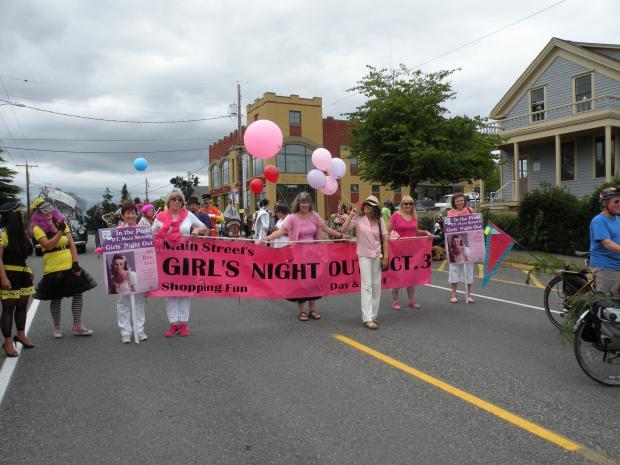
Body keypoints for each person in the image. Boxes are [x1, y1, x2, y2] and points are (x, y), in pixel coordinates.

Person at [261, 192, 345, 321]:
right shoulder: (292, 217)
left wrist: (341, 236)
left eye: (307, 202)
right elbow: (281, 231)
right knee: (300, 283)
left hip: (313, 255)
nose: (305, 205)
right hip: (297, 256)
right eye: (303, 202)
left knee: (313, 282)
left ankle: (312, 309)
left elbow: (325, 228)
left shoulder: (314, 216)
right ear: (298, 203)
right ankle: (302, 311)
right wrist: (266, 238)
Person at [28, 198, 97, 338]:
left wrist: (76, 263)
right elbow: (48, 245)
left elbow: (71, 244)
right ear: (37, 213)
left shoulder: (61, 223)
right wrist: (59, 232)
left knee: (78, 293)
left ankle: (77, 325)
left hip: (69, 263)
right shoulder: (37, 228)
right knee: (56, 297)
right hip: (53, 266)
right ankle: (57, 327)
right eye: (43, 210)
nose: (48, 212)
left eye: (49, 208)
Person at [152, 191, 209, 337]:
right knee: (170, 292)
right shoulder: (160, 217)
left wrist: (197, 229)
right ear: (168, 201)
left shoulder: (189, 215)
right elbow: (151, 235)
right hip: (166, 261)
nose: (177, 202)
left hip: (185, 259)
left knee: (185, 291)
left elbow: (205, 228)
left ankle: (183, 323)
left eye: (180, 200)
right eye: (174, 199)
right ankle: (173, 323)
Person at [341, 195, 389, 330]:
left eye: (369, 205)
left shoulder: (379, 219)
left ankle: (373, 315)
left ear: (374, 208)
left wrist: (386, 256)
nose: (366, 206)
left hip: (377, 254)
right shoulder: (358, 218)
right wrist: (350, 216)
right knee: (366, 285)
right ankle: (367, 318)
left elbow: (385, 238)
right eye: (365, 204)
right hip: (364, 255)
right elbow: (343, 230)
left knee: (376, 285)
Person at [0, 202, 35, 357]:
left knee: (22, 306)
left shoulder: (21, 233)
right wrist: (3, 278)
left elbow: (21, 256)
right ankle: (7, 341)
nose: (22, 215)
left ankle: (20, 334)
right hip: (8, 275)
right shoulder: (3, 234)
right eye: (19, 212)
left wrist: (28, 270)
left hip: (23, 275)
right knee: (8, 309)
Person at [387, 195, 433, 310]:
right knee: (397, 276)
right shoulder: (395, 216)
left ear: (413, 205)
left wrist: (425, 232)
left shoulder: (414, 217)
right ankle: (395, 301)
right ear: (401, 205)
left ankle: (411, 300)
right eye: (405, 203)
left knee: (411, 276)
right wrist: (392, 239)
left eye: (410, 203)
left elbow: (415, 231)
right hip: (397, 251)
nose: (408, 205)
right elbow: (387, 232)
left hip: (412, 251)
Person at [112, 202, 148, 343]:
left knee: (139, 300)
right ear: (122, 215)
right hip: (121, 270)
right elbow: (111, 251)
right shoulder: (117, 231)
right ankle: (125, 332)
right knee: (123, 301)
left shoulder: (143, 230)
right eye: (128, 213)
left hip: (139, 269)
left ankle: (140, 330)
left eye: (133, 212)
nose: (131, 215)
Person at [589, 187, 620, 295]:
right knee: (607, 304)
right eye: (616, 201)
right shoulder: (599, 221)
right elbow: (606, 243)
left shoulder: (618, 220)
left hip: (617, 265)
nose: (619, 204)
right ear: (605, 203)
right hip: (606, 267)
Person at [447, 192, 475, 304]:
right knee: (454, 270)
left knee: (468, 270)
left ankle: (469, 295)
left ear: (464, 201)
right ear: (454, 202)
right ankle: (453, 294)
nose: (459, 202)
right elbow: (448, 228)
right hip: (454, 245)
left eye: (461, 200)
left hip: (468, 243)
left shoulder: (470, 211)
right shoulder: (450, 213)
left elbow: (476, 224)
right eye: (457, 201)